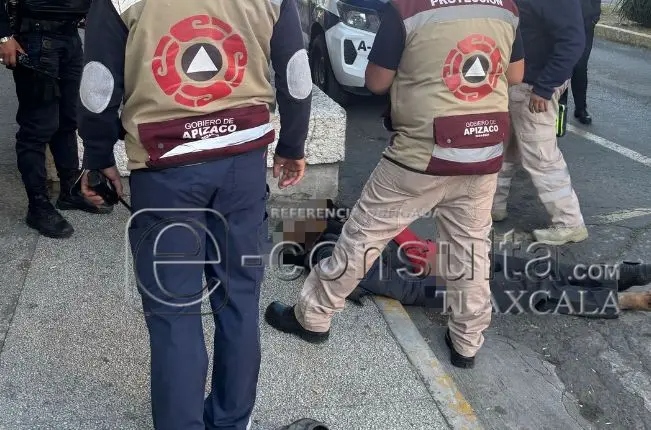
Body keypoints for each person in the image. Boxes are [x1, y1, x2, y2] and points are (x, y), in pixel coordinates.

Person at [77, 0, 312, 429]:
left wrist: (97, 155)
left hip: (164, 168)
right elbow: (296, 72)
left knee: (174, 311)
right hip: (242, 163)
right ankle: (229, 421)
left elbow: (98, 85)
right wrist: (292, 144)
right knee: (239, 298)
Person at [265, 0, 525, 369]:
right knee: (470, 249)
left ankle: (314, 316)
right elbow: (515, 74)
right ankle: (466, 342)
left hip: (420, 155)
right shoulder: (505, 6)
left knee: (363, 236)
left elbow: (377, 81)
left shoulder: (406, 7)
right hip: (482, 153)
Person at [0, 0, 112, 239]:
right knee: (37, 127)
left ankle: (69, 189)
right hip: (35, 37)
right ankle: (37, 206)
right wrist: (3, 36)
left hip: (69, 35)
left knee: (68, 119)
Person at [492, 0, 588, 246]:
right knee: (505, 148)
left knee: (542, 157)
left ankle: (569, 223)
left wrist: (544, 88)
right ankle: (494, 205)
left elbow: (573, 42)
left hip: (533, 86)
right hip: (519, 82)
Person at [559, 0, 602, 125]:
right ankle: (560, 109)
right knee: (563, 64)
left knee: (580, 67)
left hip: (585, 22)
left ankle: (581, 109)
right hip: (562, 21)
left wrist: (595, 15)